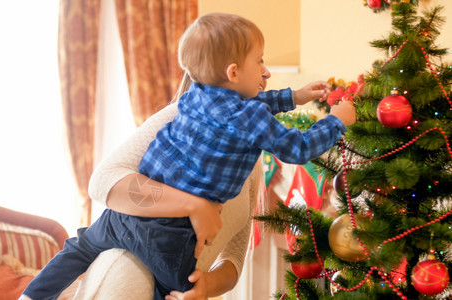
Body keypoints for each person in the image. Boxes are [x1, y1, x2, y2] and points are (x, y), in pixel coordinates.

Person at [21, 12, 356, 300]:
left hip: (121, 220)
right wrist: (336, 121)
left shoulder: (196, 96)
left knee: (79, 246)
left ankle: (33, 294)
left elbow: (246, 107)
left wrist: (294, 97)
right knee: (179, 291)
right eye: (260, 60)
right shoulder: (250, 119)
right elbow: (297, 148)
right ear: (234, 72)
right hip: (172, 236)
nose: (266, 71)